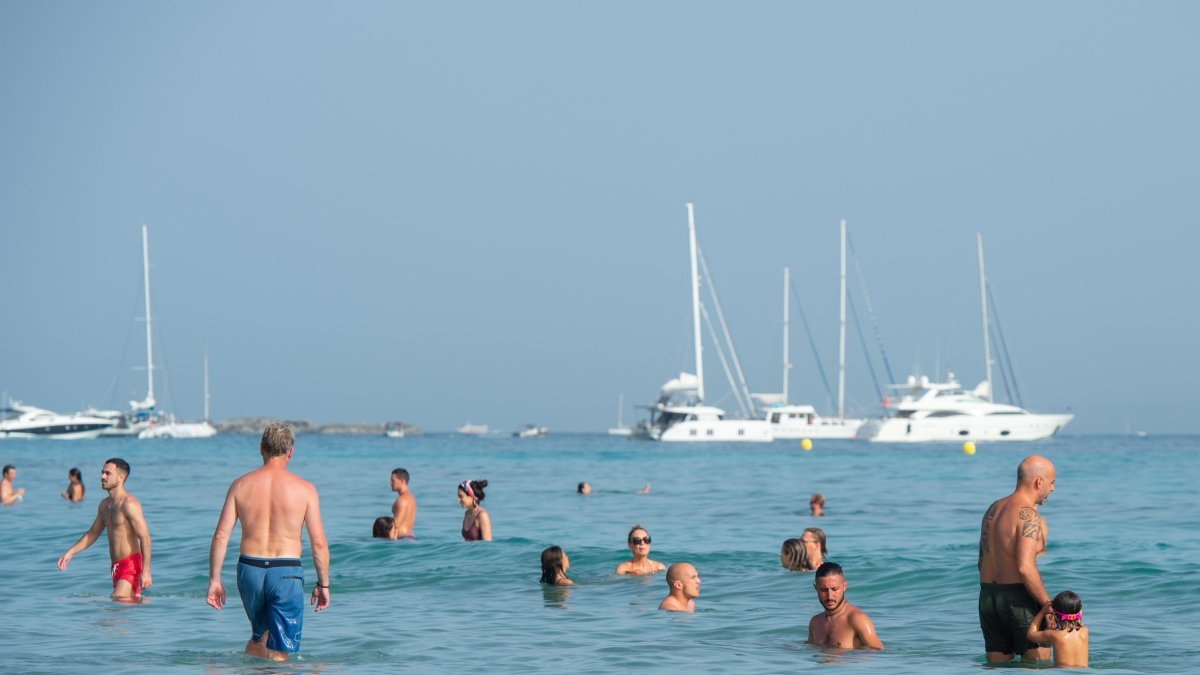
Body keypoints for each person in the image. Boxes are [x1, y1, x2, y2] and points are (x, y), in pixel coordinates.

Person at [206, 423, 330, 662]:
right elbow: (319, 544)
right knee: (280, 645)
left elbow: (221, 536)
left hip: (249, 570)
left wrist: (215, 580)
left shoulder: (240, 485)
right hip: (285, 572)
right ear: (290, 451)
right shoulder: (305, 489)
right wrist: (323, 584)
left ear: (261, 447)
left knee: (258, 637)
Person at [978, 454, 1057, 663]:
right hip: (1017, 598)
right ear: (1039, 482)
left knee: (996, 667)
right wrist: (1047, 605)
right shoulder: (1028, 515)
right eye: (1052, 483)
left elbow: (981, 562)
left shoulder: (993, 509)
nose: (1052, 489)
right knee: (1037, 666)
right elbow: (1025, 567)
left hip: (988, 597)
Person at [56, 458, 153, 601]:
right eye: (102, 473)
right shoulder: (104, 505)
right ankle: (149, 611)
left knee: (117, 601)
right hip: (116, 567)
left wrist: (146, 571)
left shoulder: (129, 504)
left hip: (131, 564)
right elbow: (93, 533)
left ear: (121, 478)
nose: (102, 477)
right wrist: (70, 553)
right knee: (128, 604)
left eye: (108, 473)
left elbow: (144, 537)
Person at [806, 562, 884, 650]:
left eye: (834, 589)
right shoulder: (815, 622)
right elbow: (810, 651)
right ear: (816, 588)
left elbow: (879, 654)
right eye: (823, 590)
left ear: (844, 586)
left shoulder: (857, 620)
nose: (830, 596)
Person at [1026, 590, 1088, 668]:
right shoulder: (1085, 631)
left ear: (1054, 614)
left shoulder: (1054, 635)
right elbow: (1078, 616)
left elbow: (1030, 635)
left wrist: (1042, 612)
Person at [388, 468, 416, 539]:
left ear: (402, 481)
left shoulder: (402, 500)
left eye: (392, 480)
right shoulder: (411, 498)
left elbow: (395, 525)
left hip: (402, 538)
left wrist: (390, 544)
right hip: (410, 537)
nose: (390, 483)